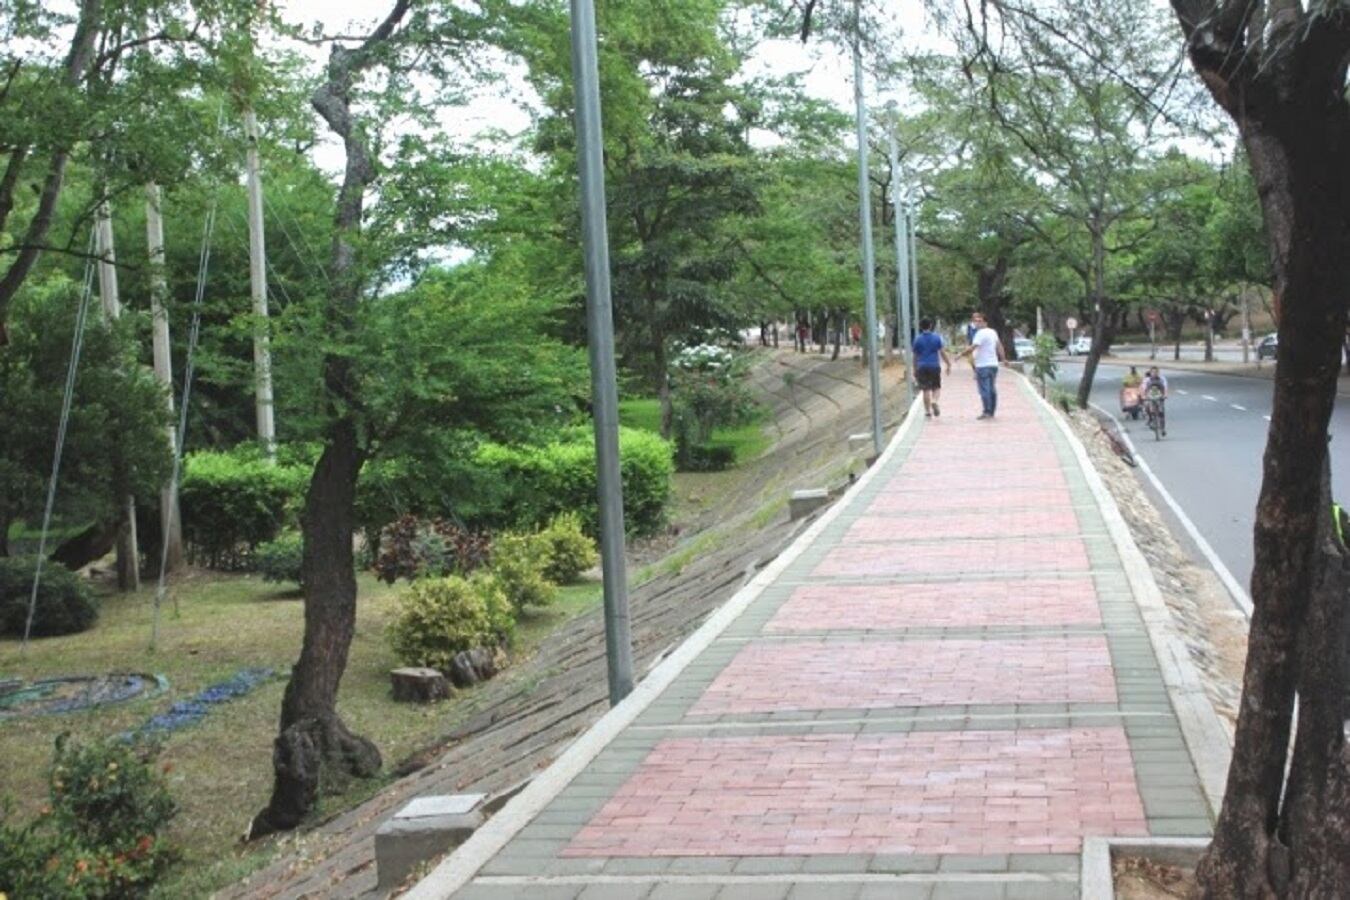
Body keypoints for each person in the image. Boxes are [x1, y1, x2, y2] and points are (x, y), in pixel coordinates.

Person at [955, 311, 1005, 419]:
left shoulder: (980, 334)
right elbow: (999, 346)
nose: (977, 323)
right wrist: (1004, 359)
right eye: (976, 321)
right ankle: (991, 411)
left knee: (984, 389)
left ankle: (987, 411)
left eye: (980, 321)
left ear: (985, 322)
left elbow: (973, 347)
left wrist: (960, 355)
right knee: (991, 388)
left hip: (983, 365)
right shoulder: (993, 332)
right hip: (993, 364)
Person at [911, 317, 953, 418]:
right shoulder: (936, 338)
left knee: (925, 389)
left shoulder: (917, 339)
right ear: (930, 326)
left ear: (921, 327)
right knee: (936, 387)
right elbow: (942, 352)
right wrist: (948, 363)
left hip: (922, 366)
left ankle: (927, 411)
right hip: (934, 365)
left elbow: (915, 356)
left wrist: (914, 369)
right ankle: (934, 401)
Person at [1141, 366, 1169, 435]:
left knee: (1161, 412)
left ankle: (1162, 429)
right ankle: (1151, 420)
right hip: (1150, 397)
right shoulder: (1147, 380)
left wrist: (1165, 395)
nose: (1154, 373)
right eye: (1153, 372)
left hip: (1159, 397)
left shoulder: (1162, 379)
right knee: (1147, 407)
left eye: (1156, 372)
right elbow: (1143, 389)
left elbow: (1165, 388)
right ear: (1150, 373)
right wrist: (1143, 396)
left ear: (1158, 373)